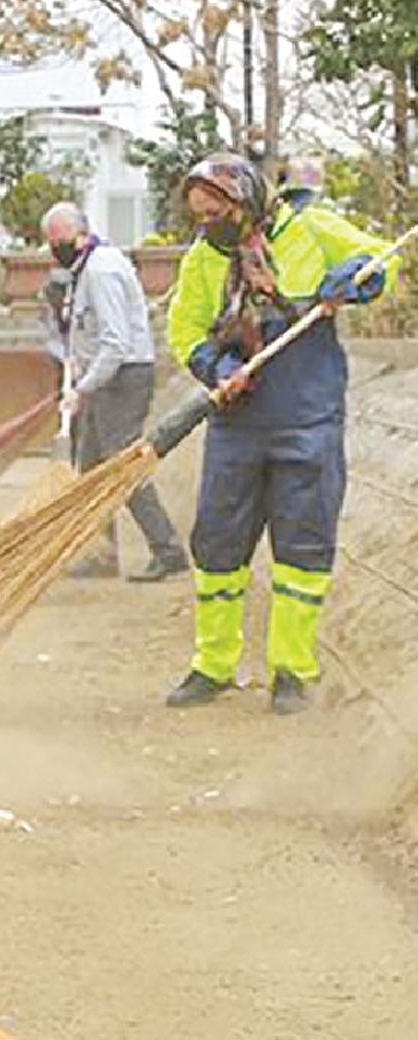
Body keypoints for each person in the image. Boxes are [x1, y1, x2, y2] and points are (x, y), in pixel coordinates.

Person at [165, 150, 396, 714]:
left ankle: (292, 671)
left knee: (301, 549)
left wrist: (354, 279)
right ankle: (212, 666)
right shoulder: (203, 260)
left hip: (307, 418)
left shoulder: (311, 227)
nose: (208, 225)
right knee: (217, 545)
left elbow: (376, 263)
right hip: (235, 426)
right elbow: (184, 327)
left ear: (245, 199)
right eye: (199, 217)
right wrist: (216, 370)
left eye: (216, 212)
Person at [41, 202, 189, 582]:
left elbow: (115, 342)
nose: (56, 250)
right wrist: (76, 365)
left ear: (81, 236)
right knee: (90, 463)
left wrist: (83, 388)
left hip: (123, 377)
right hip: (105, 375)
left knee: (121, 462)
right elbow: (86, 330)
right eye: (52, 244)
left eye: (60, 242)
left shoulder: (102, 270)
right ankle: (100, 554)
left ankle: (167, 549)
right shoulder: (85, 268)